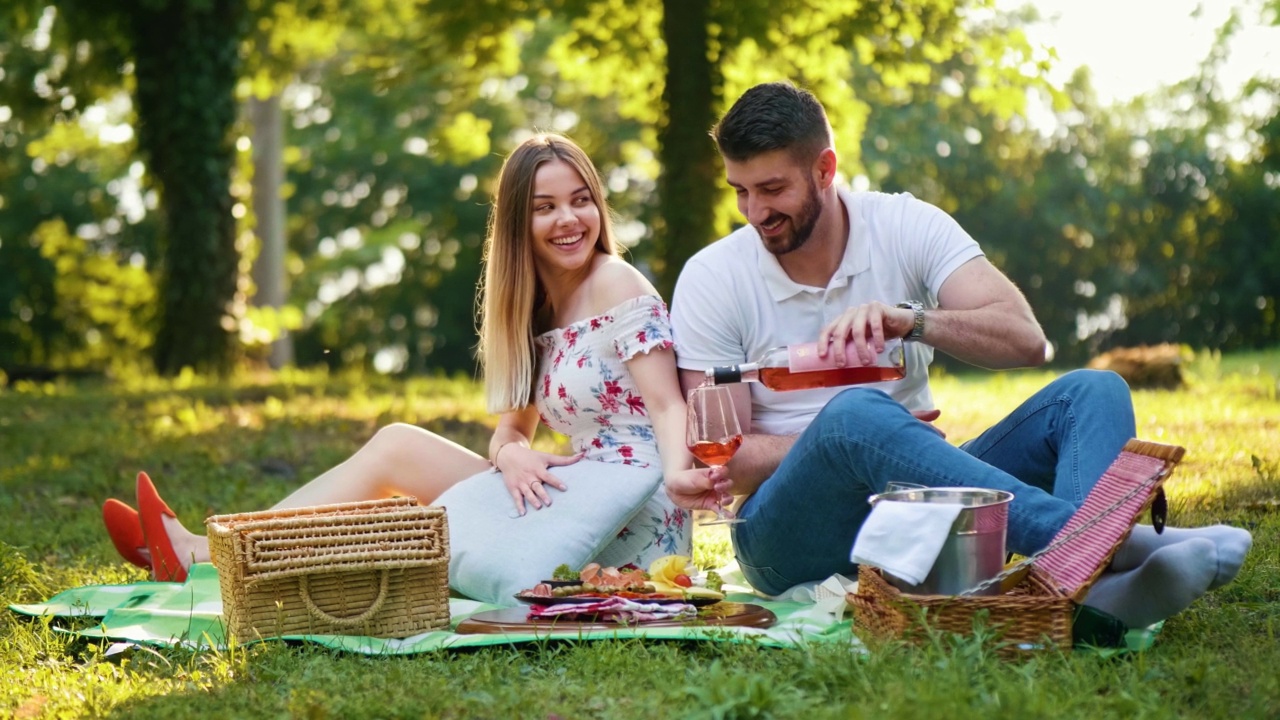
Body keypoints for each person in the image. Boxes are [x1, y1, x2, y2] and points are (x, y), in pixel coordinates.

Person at [664, 81, 1251, 628]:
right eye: (740, 191)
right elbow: (722, 462)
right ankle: (1112, 544)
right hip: (788, 535)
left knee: (1094, 392)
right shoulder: (714, 277)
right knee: (856, 417)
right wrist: (870, 439)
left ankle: (1088, 595)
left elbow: (1025, 339)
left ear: (825, 170)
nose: (753, 212)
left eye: (772, 189)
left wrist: (911, 321)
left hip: (922, 503)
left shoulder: (903, 224)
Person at [103, 133, 719, 584]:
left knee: (404, 463)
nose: (568, 220)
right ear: (516, 222)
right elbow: (511, 428)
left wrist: (678, 474)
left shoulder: (617, 283)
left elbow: (668, 405)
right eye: (544, 206)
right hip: (570, 485)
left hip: (636, 511)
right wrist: (511, 454)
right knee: (397, 445)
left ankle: (203, 552)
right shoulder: (533, 310)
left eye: (580, 200)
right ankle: (211, 549)